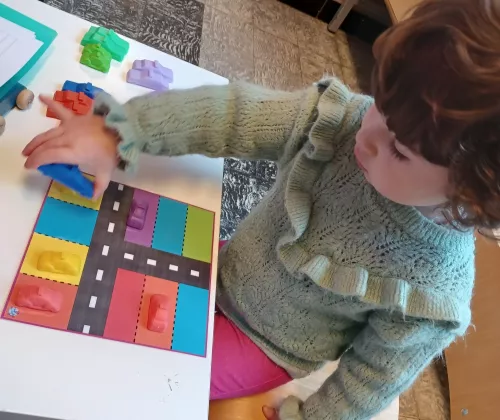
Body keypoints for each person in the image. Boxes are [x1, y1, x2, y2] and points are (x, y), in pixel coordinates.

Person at [22, 0, 500, 418]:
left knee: (127, 382)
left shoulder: (431, 295)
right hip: (229, 264)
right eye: (380, 104)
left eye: (398, 149)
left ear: (470, 195)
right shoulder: (345, 120)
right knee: (89, 301)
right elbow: (233, 115)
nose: (366, 132)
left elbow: (370, 380)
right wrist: (121, 131)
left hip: (264, 346)